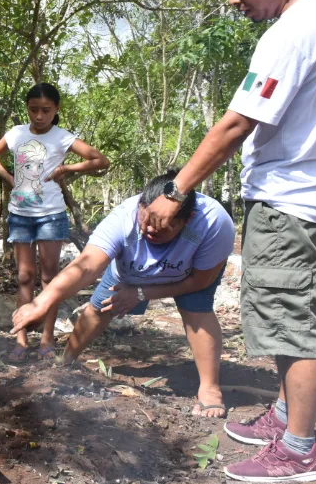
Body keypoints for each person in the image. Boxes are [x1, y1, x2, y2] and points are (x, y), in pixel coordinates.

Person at [143, 0, 316, 482]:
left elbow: (239, 121)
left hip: (291, 199)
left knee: (294, 323)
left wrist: (177, 190)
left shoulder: (291, 32)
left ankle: (298, 449)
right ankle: (287, 415)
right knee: (295, 316)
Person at [12, 171, 234, 417]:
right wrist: (41, 302)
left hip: (189, 272)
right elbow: (86, 265)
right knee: (100, 307)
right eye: (146, 220)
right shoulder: (122, 219)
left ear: (188, 219)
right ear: (141, 204)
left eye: (163, 227)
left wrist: (141, 293)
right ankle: (66, 360)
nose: (151, 229)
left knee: (196, 310)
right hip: (129, 269)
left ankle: (210, 388)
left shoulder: (213, 223)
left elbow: (199, 281)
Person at [0, 83, 109, 362]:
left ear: (56, 110)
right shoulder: (16, 133)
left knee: (50, 280)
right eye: (33, 110)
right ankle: (20, 339)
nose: (39, 116)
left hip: (51, 216)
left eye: (45, 110)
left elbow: (100, 160)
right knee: (24, 277)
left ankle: (47, 339)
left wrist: (67, 167)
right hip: (20, 215)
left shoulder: (62, 137)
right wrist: (10, 178)